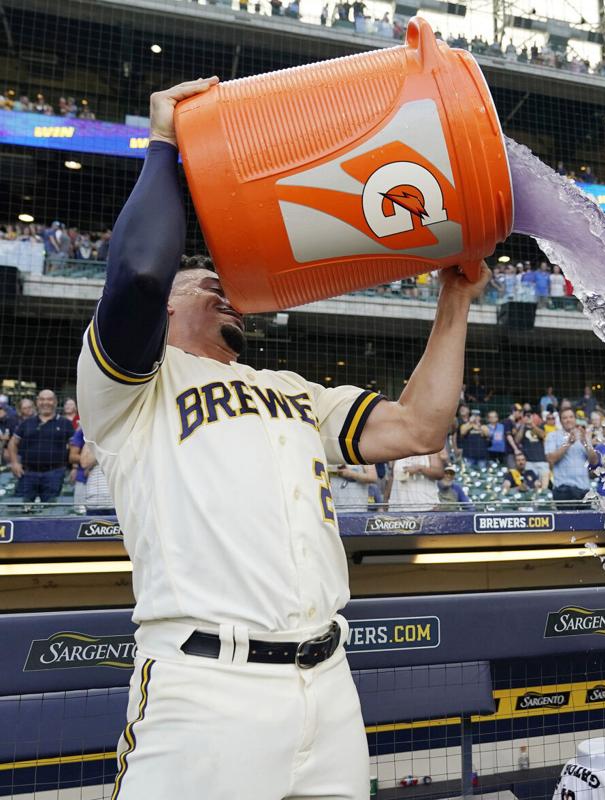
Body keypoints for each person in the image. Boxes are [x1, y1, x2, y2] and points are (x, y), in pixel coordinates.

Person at [75, 78, 487, 800]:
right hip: (205, 687)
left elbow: (418, 426)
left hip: (328, 685)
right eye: (201, 278)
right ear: (165, 305)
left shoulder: (296, 389)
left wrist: (454, 301)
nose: (218, 286)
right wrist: (167, 142)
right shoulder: (130, 387)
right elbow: (140, 271)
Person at [5, 389, 75, 506]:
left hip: (54, 473)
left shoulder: (65, 423)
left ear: (55, 402)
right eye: (42, 399)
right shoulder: (27, 423)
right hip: (27, 473)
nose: (45, 402)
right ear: (37, 402)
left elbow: (74, 446)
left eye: (49, 399)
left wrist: (75, 467)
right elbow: (13, 443)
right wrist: (14, 463)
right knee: (21, 509)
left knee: (50, 511)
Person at [545, 411, 598, 503]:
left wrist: (585, 442)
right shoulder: (552, 436)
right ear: (560, 421)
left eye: (571, 417)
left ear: (575, 419)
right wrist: (568, 443)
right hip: (563, 489)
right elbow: (551, 459)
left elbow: (594, 462)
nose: (568, 420)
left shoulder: (583, 436)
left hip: (584, 489)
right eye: (565, 418)